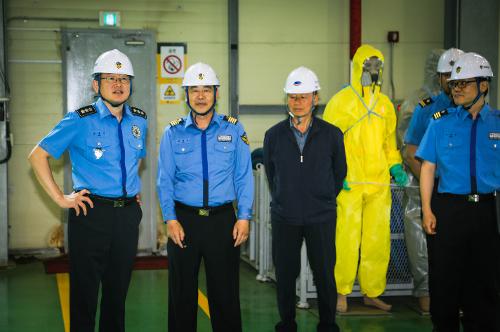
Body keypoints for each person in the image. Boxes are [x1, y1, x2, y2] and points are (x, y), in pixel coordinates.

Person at [28, 49, 147, 332]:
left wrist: (129, 189)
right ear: (96, 84)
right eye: (110, 78)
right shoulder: (80, 119)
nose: (118, 85)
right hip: (90, 213)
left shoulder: (139, 121)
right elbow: (37, 155)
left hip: (128, 216)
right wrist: (60, 197)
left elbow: (134, 159)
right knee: (85, 294)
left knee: (117, 294)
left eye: (124, 79)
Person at [157, 62, 253, 332]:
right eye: (194, 90)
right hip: (184, 221)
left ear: (216, 93)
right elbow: (164, 180)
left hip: (223, 222)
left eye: (207, 90)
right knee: (181, 294)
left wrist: (244, 216)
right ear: (185, 94)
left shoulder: (234, 130)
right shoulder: (173, 132)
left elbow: (244, 176)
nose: (201, 96)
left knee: (225, 295)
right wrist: (170, 218)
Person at [417, 52, 499, 331]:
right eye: (454, 84)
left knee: (484, 280)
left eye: (465, 83)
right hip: (449, 210)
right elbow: (428, 167)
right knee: (444, 281)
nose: (457, 88)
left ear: (484, 86)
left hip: (487, 211)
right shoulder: (440, 123)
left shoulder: (497, 124)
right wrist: (427, 210)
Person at [323, 44, 408, 313]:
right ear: (358, 66)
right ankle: (341, 292)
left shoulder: (384, 105)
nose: (373, 71)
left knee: (377, 239)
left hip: (378, 183)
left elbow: (389, 143)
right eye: (368, 65)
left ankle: (373, 291)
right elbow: (327, 143)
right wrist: (336, 175)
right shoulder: (341, 102)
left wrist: (395, 167)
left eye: (377, 66)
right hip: (349, 183)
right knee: (346, 239)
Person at [264, 67, 346, 332]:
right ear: (286, 99)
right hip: (285, 216)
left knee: (324, 275)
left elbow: (339, 173)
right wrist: (284, 197)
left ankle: (327, 324)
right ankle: (287, 323)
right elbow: (271, 172)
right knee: (286, 275)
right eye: (292, 96)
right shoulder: (273, 135)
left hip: (320, 216)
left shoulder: (332, 135)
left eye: (303, 96)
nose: (297, 102)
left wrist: (320, 198)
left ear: (315, 98)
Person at [398, 48, 464, 312]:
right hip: (426, 186)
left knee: (458, 242)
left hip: (459, 192)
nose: (452, 81)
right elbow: (409, 146)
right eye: (446, 75)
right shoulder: (424, 107)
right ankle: (426, 291)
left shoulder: (473, 111)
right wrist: (429, 181)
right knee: (422, 238)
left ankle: (458, 293)